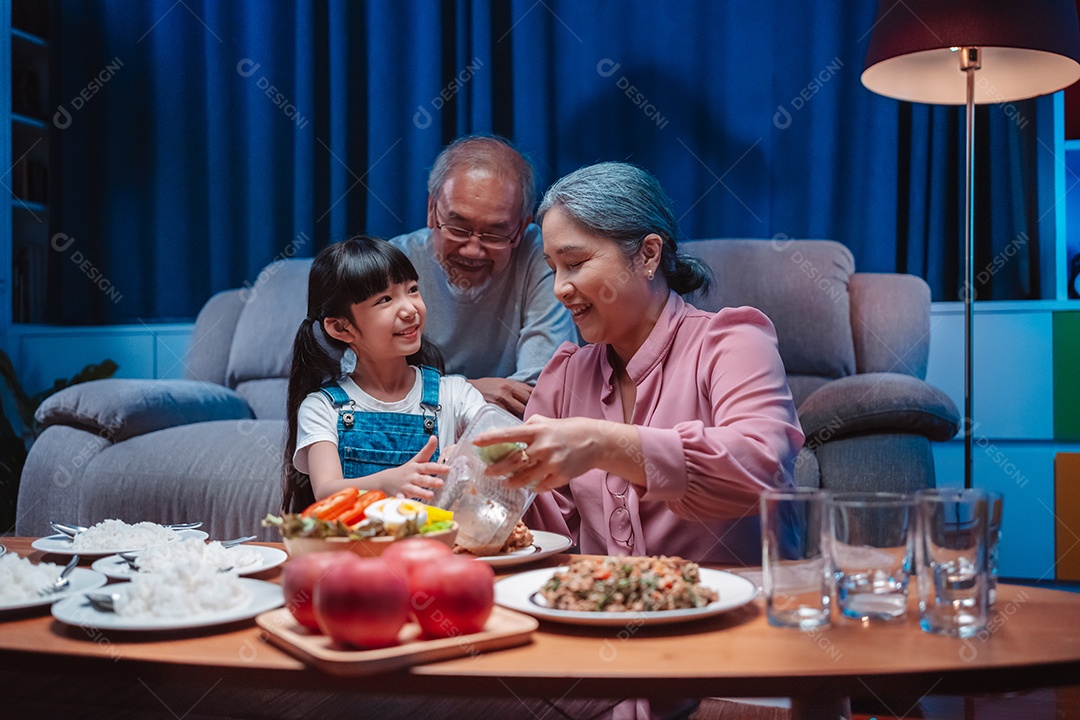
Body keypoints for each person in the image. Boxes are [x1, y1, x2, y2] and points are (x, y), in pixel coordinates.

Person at [475, 162, 805, 566]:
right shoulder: (565, 377)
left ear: (648, 254)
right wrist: (480, 482)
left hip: (743, 614)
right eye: (553, 269)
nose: (560, 288)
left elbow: (763, 468)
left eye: (575, 263)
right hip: (605, 616)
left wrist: (603, 444)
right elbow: (542, 535)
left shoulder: (732, 343)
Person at [281, 236, 487, 513]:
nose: (410, 308)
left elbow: (497, 436)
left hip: (434, 551)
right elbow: (326, 491)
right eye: (385, 299)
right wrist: (388, 482)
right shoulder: (322, 407)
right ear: (342, 328)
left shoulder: (455, 394)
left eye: (412, 289)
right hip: (358, 551)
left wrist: (465, 453)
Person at [389, 134, 577, 417]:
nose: (473, 250)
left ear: (522, 227)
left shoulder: (543, 256)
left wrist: (430, 398)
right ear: (431, 210)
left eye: (495, 233)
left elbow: (543, 388)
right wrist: (467, 390)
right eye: (458, 228)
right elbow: (366, 387)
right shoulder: (392, 262)